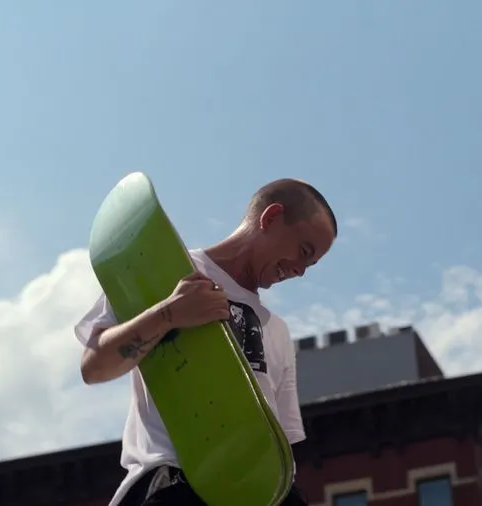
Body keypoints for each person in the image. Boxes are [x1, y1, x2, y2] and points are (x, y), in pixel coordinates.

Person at [73, 178, 338, 506]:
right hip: (170, 484)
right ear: (270, 218)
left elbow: (279, 450)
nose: (299, 271)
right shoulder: (166, 269)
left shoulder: (278, 331)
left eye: (309, 265)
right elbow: (93, 366)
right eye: (303, 252)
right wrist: (168, 313)